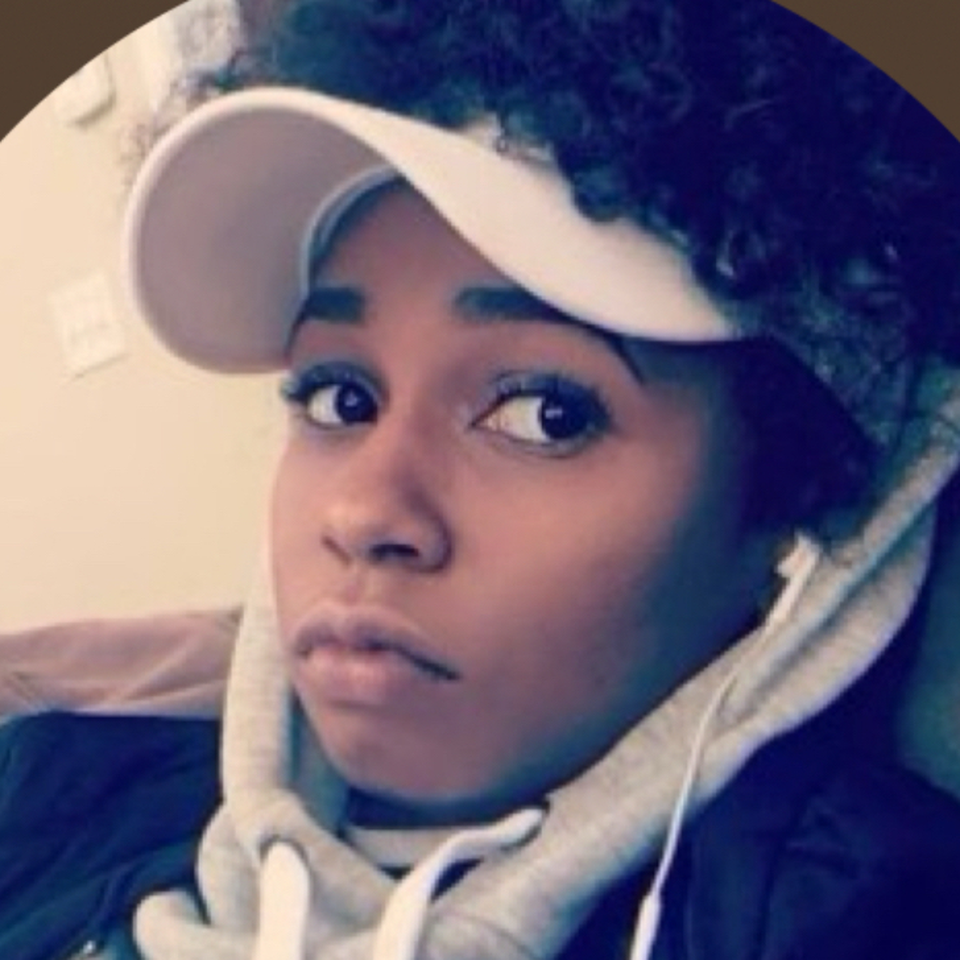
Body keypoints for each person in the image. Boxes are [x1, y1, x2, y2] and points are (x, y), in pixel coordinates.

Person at [114, 0, 960, 957]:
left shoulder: (874, 911)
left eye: (544, 414)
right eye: (339, 398)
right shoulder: (54, 781)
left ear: (792, 516)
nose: (362, 512)